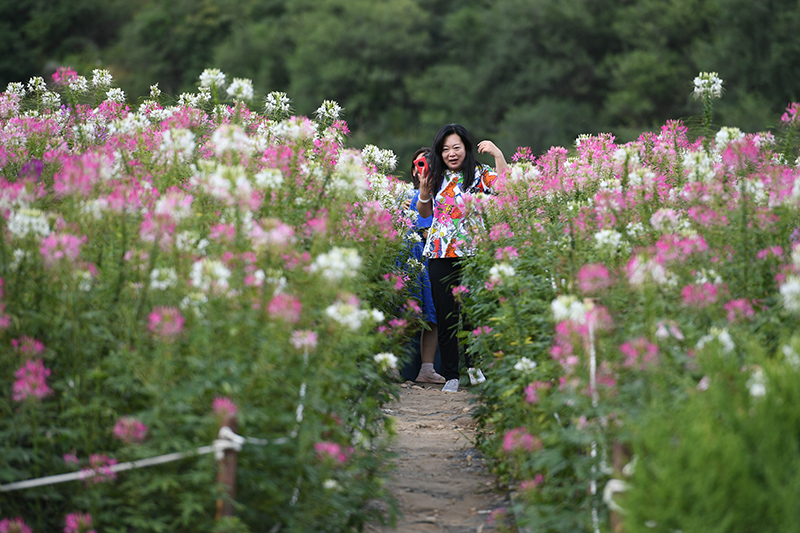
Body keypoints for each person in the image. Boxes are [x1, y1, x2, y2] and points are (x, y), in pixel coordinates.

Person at [416, 124, 507, 392]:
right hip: (440, 253)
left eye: (456, 147)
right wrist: (423, 193)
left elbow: (507, 186)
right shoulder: (436, 175)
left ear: (466, 148)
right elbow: (424, 212)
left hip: (472, 252)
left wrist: (498, 154)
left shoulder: (479, 175)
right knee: (446, 315)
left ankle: (474, 366)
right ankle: (452, 376)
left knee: (471, 312)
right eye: (445, 149)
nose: (451, 154)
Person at [406, 148, 446, 384]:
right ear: (414, 170)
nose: (426, 170)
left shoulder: (443, 197)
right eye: (421, 164)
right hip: (412, 257)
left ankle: (427, 368)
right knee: (407, 310)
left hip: (433, 259)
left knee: (432, 314)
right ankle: (393, 362)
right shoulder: (409, 195)